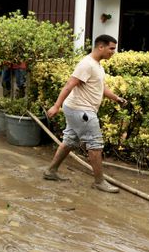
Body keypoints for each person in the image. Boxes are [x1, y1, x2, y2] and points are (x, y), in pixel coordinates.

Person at [44, 34, 128, 193]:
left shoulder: (97, 65)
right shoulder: (87, 64)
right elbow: (70, 84)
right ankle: (99, 182)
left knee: (69, 140)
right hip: (81, 110)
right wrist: (56, 106)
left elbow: (100, 88)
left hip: (79, 109)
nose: (113, 52)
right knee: (95, 144)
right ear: (101, 47)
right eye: (111, 48)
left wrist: (116, 98)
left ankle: (51, 171)